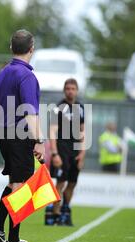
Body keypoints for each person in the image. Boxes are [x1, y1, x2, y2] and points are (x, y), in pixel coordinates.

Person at [0, 29, 44, 242]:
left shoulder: (2, 73)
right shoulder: (27, 76)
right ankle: (13, 240)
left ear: (11, 47)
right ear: (32, 48)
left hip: (4, 133)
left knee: (13, 183)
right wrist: (38, 140)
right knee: (20, 187)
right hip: (19, 135)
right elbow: (31, 113)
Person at [49, 78, 85, 226]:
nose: (70, 91)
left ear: (77, 90)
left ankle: (65, 209)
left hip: (75, 149)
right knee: (61, 182)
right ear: (64, 90)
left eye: (73, 88)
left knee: (72, 183)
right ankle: (55, 214)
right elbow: (52, 131)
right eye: (68, 88)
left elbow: (83, 131)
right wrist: (54, 153)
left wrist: (83, 152)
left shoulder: (81, 107)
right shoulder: (58, 108)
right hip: (62, 148)